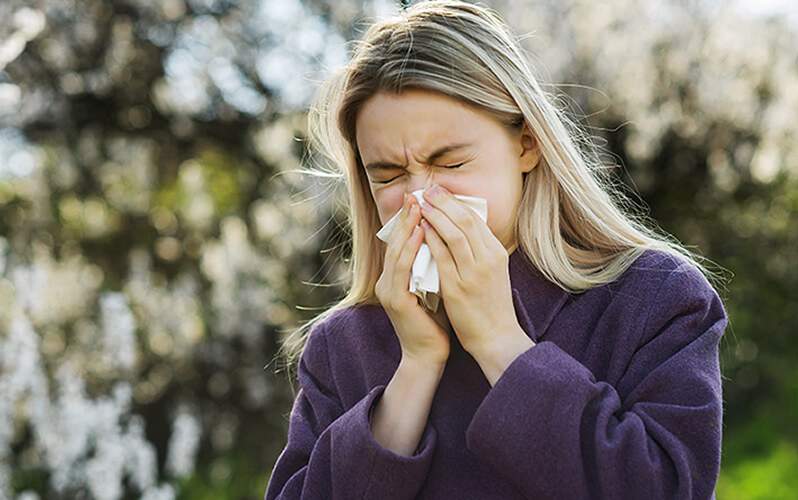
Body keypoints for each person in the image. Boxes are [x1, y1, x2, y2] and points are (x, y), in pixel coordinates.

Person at [265, 1, 729, 498]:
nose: (421, 197)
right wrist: (416, 368)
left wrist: (498, 340)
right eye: (390, 175)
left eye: (450, 162)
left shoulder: (653, 297)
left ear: (526, 144)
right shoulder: (344, 344)